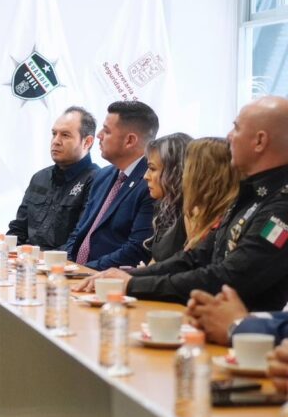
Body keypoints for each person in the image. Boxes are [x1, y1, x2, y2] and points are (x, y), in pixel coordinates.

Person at [79, 96, 288, 311]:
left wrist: (132, 284)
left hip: (243, 329)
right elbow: (195, 258)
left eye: (236, 128)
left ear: (259, 141)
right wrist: (128, 276)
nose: (229, 136)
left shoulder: (280, 207)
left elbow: (229, 276)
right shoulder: (249, 193)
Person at [64, 101, 158, 270]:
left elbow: (137, 249)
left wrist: (85, 271)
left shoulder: (151, 183)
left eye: (106, 131)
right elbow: (79, 231)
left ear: (130, 140)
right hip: (77, 274)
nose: (99, 135)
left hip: (106, 279)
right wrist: (67, 264)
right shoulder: (102, 175)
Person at [7, 107, 99, 249]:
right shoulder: (40, 177)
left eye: (65, 135)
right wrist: (7, 250)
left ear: (87, 142)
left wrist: (40, 258)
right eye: (54, 134)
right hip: (27, 259)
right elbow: (18, 229)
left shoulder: (97, 181)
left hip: (63, 261)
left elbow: (80, 241)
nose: (56, 141)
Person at [141, 133, 192, 263]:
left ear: (176, 171)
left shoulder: (192, 212)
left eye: (152, 168)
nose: (146, 176)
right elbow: (155, 261)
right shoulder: (165, 206)